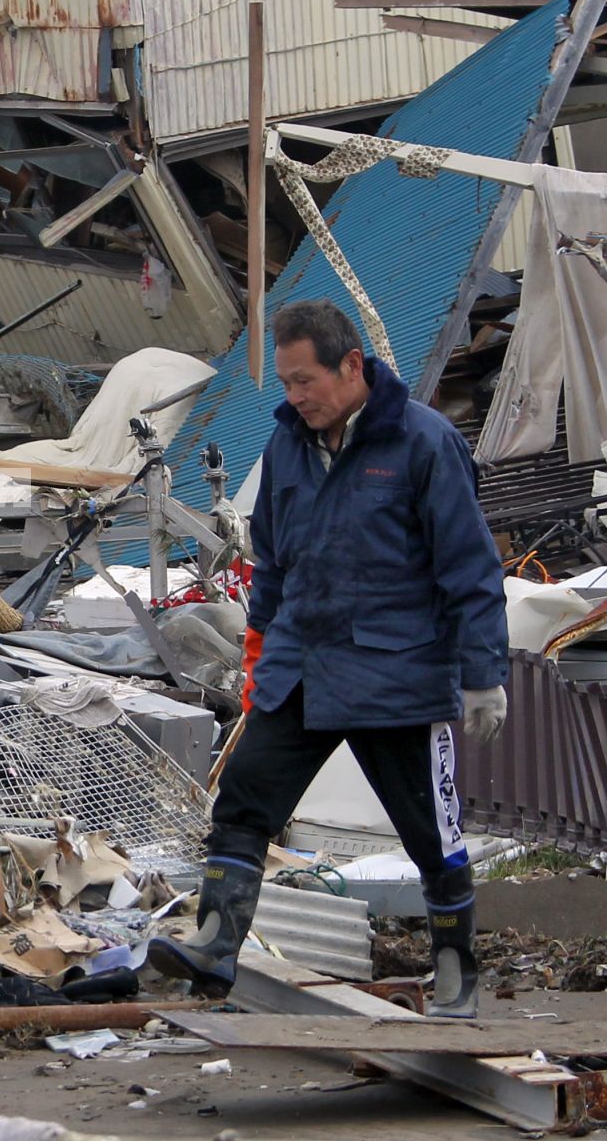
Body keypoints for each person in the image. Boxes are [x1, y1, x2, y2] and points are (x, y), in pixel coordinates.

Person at [147, 298, 508, 1017]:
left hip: (397, 678)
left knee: (429, 834)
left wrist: (483, 678)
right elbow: (272, 564)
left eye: (304, 381)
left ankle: (456, 974)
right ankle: (216, 947)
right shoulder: (287, 446)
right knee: (244, 801)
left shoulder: (424, 444)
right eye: (285, 383)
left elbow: (471, 571)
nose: (295, 397)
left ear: (351, 366)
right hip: (303, 670)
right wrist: (262, 655)